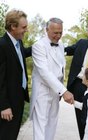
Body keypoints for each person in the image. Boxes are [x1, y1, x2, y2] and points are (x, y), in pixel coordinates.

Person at [29, 17, 74, 140]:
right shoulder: (38, 46)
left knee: (52, 123)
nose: (58, 36)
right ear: (47, 30)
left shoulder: (61, 45)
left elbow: (60, 68)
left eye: (60, 32)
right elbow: (44, 72)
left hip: (55, 90)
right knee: (41, 125)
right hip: (42, 91)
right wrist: (63, 91)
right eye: (55, 32)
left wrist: (59, 90)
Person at [0, 9, 31, 140]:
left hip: (18, 100)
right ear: (13, 26)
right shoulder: (2, 45)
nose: (26, 30)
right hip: (7, 105)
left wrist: (42, 45)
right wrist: (4, 106)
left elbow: (22, 54)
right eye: (23, 27)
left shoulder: (18, 42)